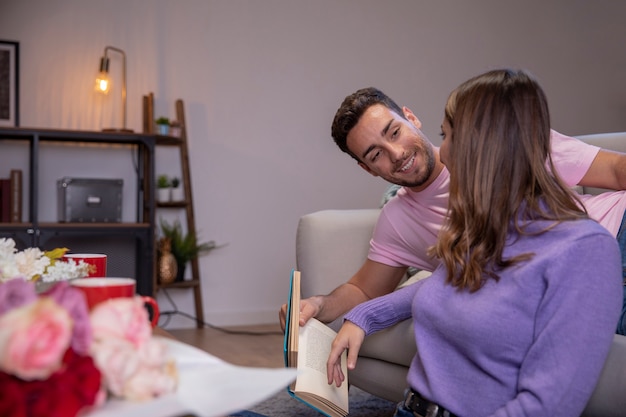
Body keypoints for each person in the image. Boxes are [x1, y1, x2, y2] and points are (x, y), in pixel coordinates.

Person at [325, 68, 623, 417]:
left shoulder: (580, 247)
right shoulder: (480, 227)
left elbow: (549, 403)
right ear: (367, 167)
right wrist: (356, 315)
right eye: (375, 154)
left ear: (489, 144)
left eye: (447, 136)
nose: (444, 155)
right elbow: (441, 280)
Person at [279, 79, 626, 336]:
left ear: (411, 118)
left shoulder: (496, 139)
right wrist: (318, 305)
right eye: (375, 154)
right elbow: (364, 289)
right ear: (368, 169)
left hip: (615, 228)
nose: (396, 153)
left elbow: (613, 170)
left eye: (394, 132)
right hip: (576, 284)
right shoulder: (398, 220)